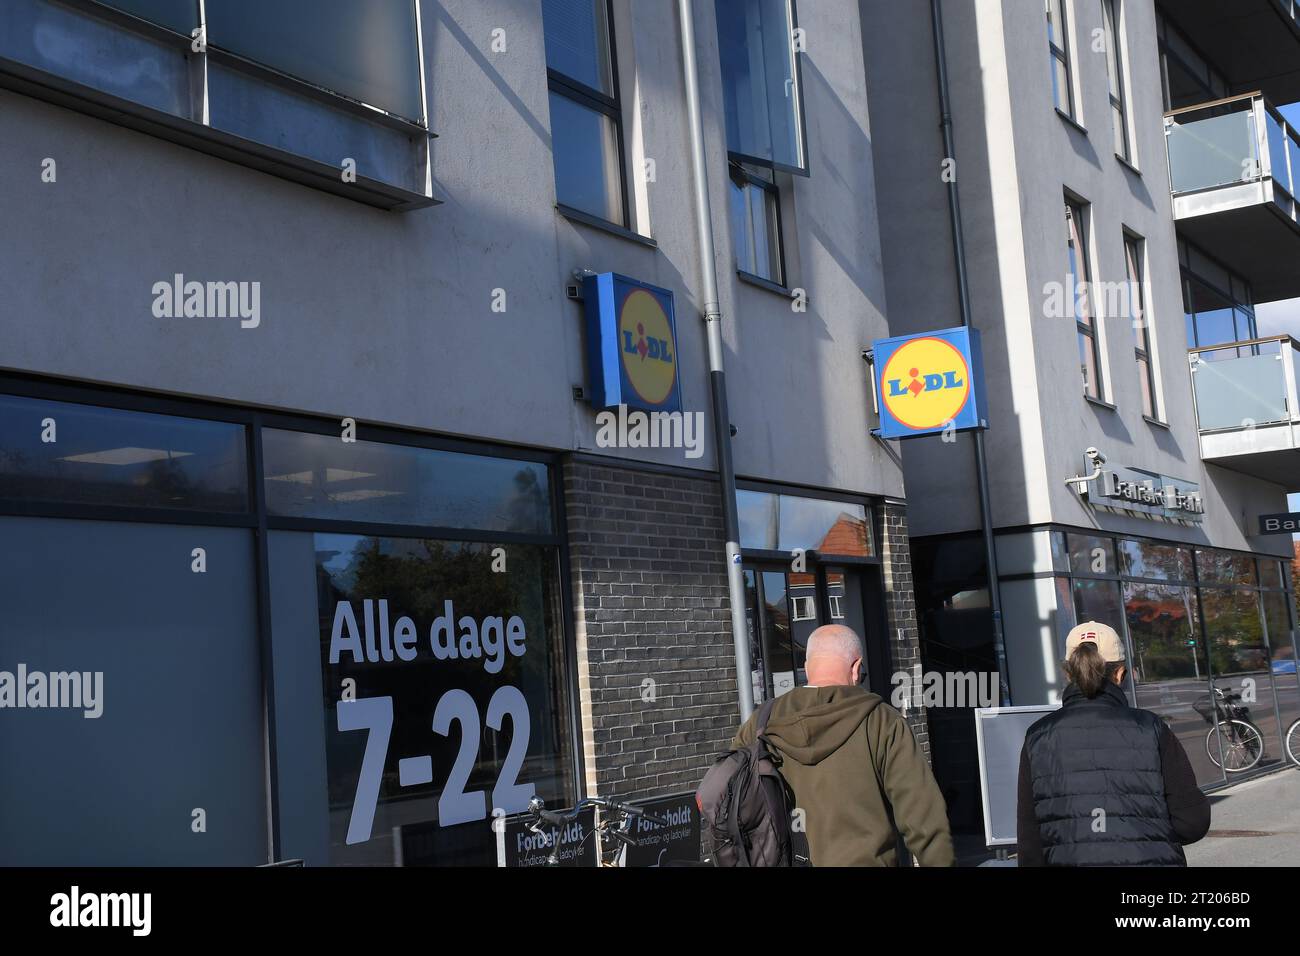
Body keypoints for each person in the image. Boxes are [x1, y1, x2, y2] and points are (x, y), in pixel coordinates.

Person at [730, 624, 954, 866]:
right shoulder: (882, 722)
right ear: (856, 668)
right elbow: (924, 820)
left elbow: (727, 801)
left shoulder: (760, 723)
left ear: (807, 668)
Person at [1017, 621, 1211, 866]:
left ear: (1068, 673)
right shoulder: (1150, 728)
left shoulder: (1038, 736)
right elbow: (1192, 822)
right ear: (1119, 674)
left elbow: (1030, 842)